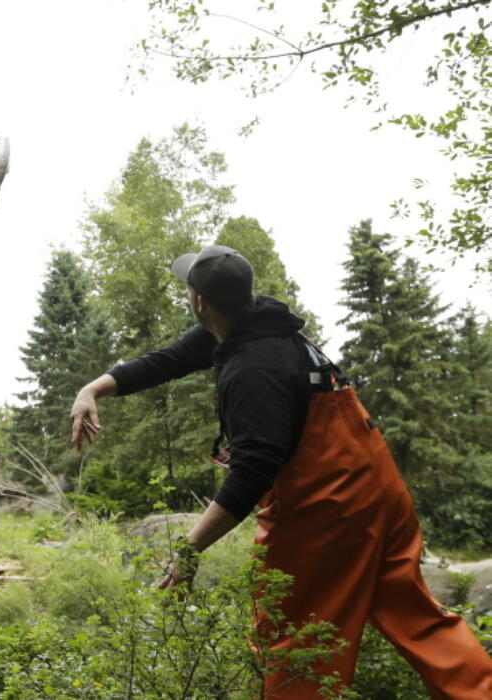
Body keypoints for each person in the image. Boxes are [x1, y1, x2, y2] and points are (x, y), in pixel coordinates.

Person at [70, 244, 492, 698]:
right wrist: (94, 388)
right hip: (379, 491)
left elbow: (252, 471)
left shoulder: (252, 368)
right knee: (416, 615)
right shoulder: (253, 325)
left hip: (326, 509)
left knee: (298, 636)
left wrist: (188, 550)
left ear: (199, 302)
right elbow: (167, 359)